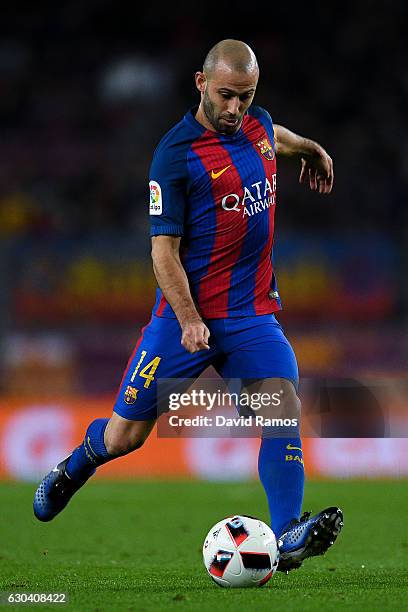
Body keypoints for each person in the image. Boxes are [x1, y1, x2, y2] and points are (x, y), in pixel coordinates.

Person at [34, 39, 343, 573]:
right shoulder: (175, 156)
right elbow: (162, 253)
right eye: (225, 96)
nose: (235, 109)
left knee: (281, 409)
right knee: (124, 436)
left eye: (245, 97)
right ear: (202, 84)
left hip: (251, 316)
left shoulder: (257, 124)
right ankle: (77, 463)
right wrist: (189, 319)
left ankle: (289, 533)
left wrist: (312, 148)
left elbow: (276, 137)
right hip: (183, 321)